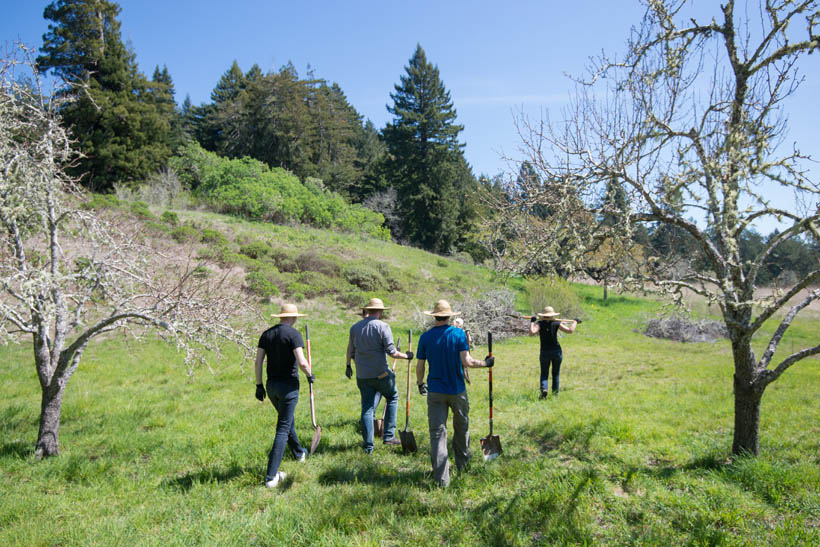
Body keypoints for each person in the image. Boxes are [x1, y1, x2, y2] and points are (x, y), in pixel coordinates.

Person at [415, 300, 493, 487]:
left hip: (435, 391)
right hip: (457, 390)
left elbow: (420, 366)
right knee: (461, 427)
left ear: (434, 317)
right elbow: (467, 361)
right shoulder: (458, 334)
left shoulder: (425, 337)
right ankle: (462, 465)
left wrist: (420, 383)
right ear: (450, 316)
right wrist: (486, 364)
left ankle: (442, 479)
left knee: (437, 434)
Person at [254, 303, 314, 488]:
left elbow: (258, 362)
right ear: (294, 317)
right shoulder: (294, 335)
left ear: (280, 317)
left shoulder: (266, 334)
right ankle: (271, 477)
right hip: (288, 387)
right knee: (283, 428)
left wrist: (259, 385)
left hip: (271, 387)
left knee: (287, 421)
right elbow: (302, 362)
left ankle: (298, 453)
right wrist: (310, 374)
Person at [346, 297, 413, 453]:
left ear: (367, 310)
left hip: (362, 376)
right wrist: (407, 356)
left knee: (367, 409)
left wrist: (353, 365)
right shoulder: (383, 326)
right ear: (381, 311)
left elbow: (352, 352)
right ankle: (388, 436)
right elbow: (392, 352)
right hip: (381, 374)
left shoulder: (354, 328)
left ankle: (368, 446)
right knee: (392, 397)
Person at [529, 306, 576, 399]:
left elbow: (532, 333)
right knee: (556, 373)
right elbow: (570, 331)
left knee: (544, 373)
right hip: (556, 351)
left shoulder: (540, 324)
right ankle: (555, 395)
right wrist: (575, 322)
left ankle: (544, 389)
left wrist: (532, 322)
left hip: (545, 352)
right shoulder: (556, 323)